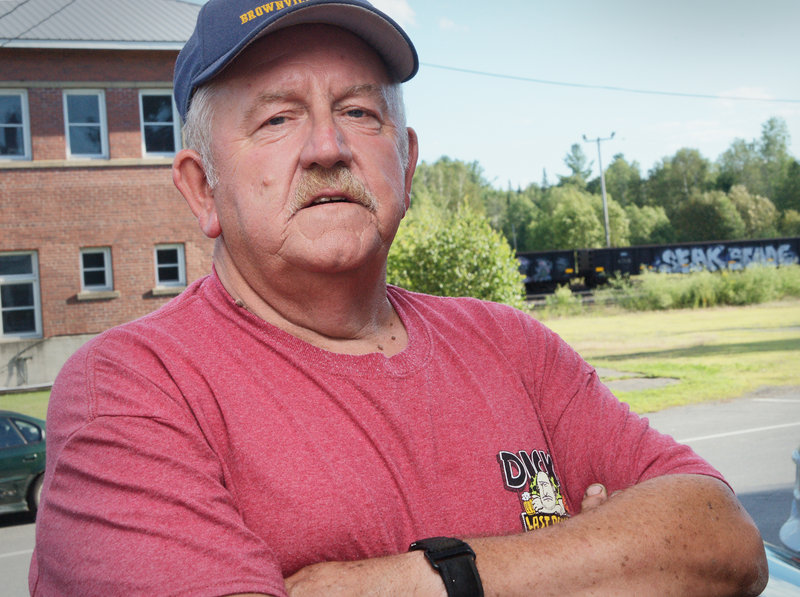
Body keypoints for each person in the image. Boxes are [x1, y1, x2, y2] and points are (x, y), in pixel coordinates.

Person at [30, 1, 767, 595]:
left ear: (406, 163)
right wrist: (589, 555)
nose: (327, 146)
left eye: (359, 112)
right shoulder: (128, 390)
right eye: (277, 118)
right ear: (201, 187)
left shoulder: (514, 344)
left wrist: (420, 578)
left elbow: (723, 536)